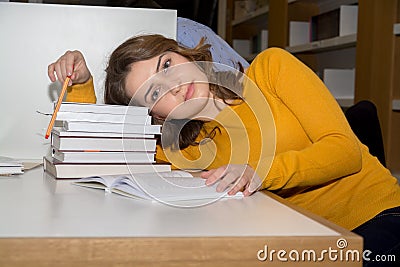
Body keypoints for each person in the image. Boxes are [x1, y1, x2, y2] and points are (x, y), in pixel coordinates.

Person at [48, 34, 400, 265]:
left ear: (185, 54)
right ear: (156, 117)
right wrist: (81, 85)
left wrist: (260, 173)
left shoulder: (270, 70)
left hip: (378, 218)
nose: (173, 86)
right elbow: (97, 158)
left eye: (166, 66)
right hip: (302, 244)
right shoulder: (185, 151)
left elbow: (345, 151)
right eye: (154, 94)